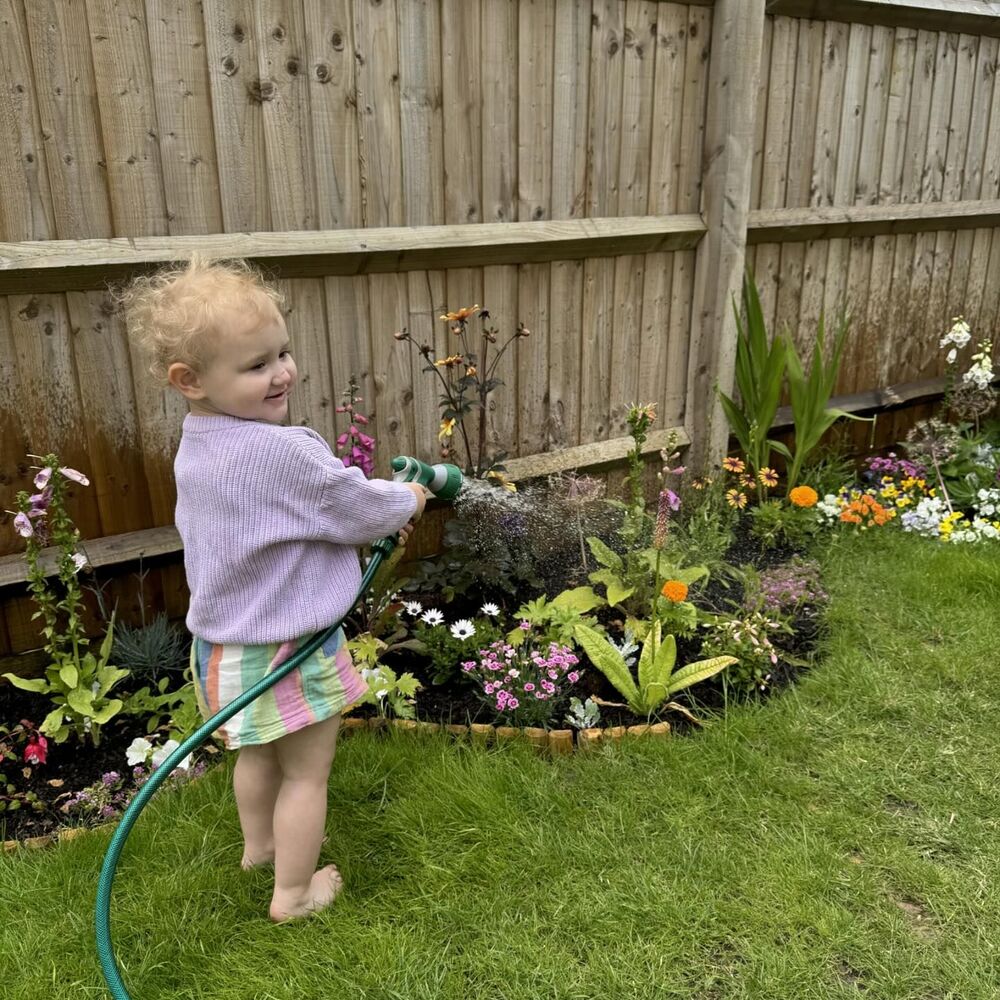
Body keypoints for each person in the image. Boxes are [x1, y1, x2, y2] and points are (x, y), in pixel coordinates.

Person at [120, 256, 426, 921]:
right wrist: (408, 497)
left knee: (256, 757)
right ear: (189, 380)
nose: (282, 371)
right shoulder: (281, 452)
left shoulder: (199, 444)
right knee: (307, 774)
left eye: (282, 352)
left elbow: (273, 533)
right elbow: (355, 505)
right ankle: (295, 893)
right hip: (290, 648)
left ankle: (259, 850)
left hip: (226, 648)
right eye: (257, 364)